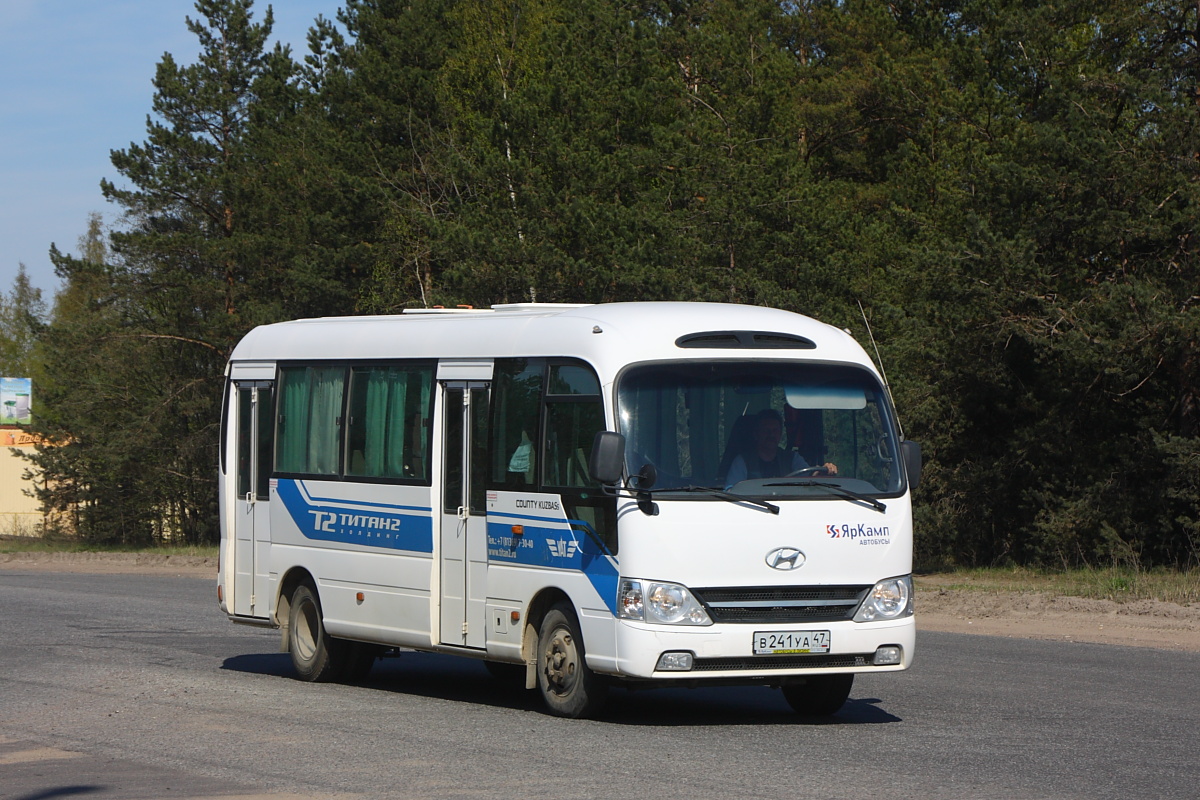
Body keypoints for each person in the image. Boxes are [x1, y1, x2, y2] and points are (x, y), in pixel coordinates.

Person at [724, 408, 837, 486]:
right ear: (756, 434)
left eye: (775, 430)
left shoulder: (792, 458)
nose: (771, 435)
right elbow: (731, 491)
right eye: (766, 430)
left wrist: (824, 471)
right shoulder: (742, 461)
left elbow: (810, 479)